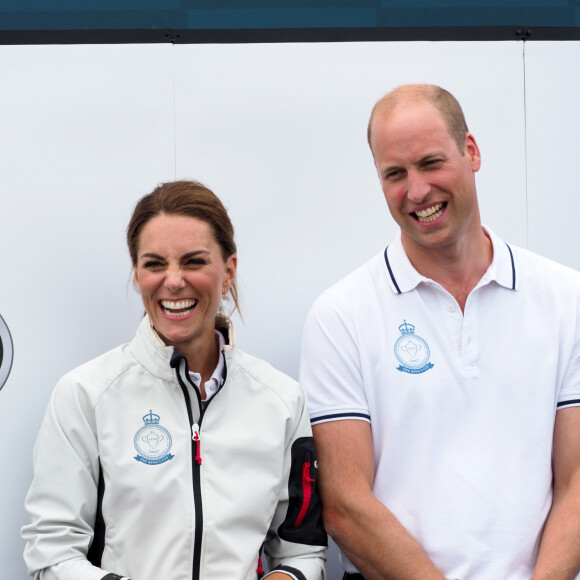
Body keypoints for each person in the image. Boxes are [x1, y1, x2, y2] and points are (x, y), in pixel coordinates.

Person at [299, 84, 580, 580]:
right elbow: (344, 502)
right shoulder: (341, 314)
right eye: (394, 174)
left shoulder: (566, 299)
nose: (416, 191)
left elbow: (577, 480)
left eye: (430, 163)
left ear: (470, 152)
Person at [22, 180, 327, 580]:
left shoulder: (282, 400)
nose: (174, 280)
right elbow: (52, 555)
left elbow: (302, 552)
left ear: (229, 271)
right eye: (154, 264)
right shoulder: (85, 395)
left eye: (194, 261)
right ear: (136, 274)